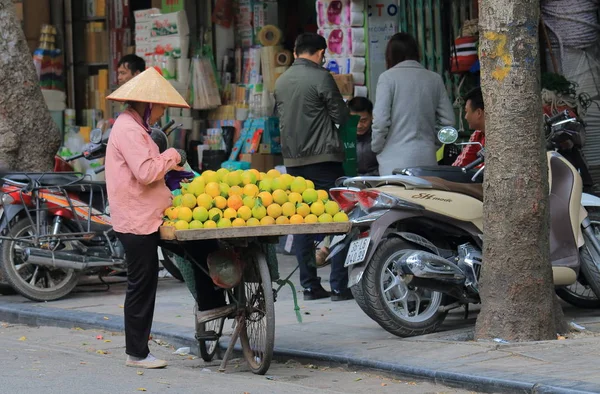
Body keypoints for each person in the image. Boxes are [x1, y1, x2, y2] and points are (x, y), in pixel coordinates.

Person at [105, 68, 233, 369]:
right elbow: (147, 171)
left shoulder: (137, 127)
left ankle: (211, 304)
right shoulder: (128, 129)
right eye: (160, 106)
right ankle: (136, 353)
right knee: (142, 284)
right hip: (137, 219)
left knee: (201, 247)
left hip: (153, 215)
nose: (162, 112)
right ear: (148, 104)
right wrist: (173, 155)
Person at [274, 33, 352, 301]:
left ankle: (309, 286)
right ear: (320, 53)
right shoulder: (321, 77)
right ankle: (340, 286)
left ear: (295, 52)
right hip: (324, 158)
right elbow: (340, 115)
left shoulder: (281, 81)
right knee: (339, 219)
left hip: (293, 161)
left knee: (302, 221)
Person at [372, 32, 455, 175]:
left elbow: (380, 121)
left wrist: (376, 147)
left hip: (393, 162)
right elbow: (449, 122)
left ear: (390, 55)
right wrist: (433, 144)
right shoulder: (434, 79)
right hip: (427, 160)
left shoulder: (387, 78)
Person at [452, 87, 485, 167]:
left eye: (466, 111)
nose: (465, 117)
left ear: (478, 113)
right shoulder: (477, 135)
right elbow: (459, 166)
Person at [348, 97, 378, 176]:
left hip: (377, 180)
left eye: (364, 121)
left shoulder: (379, 136)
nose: (359, 126)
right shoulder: (342, 137)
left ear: (372, 116)